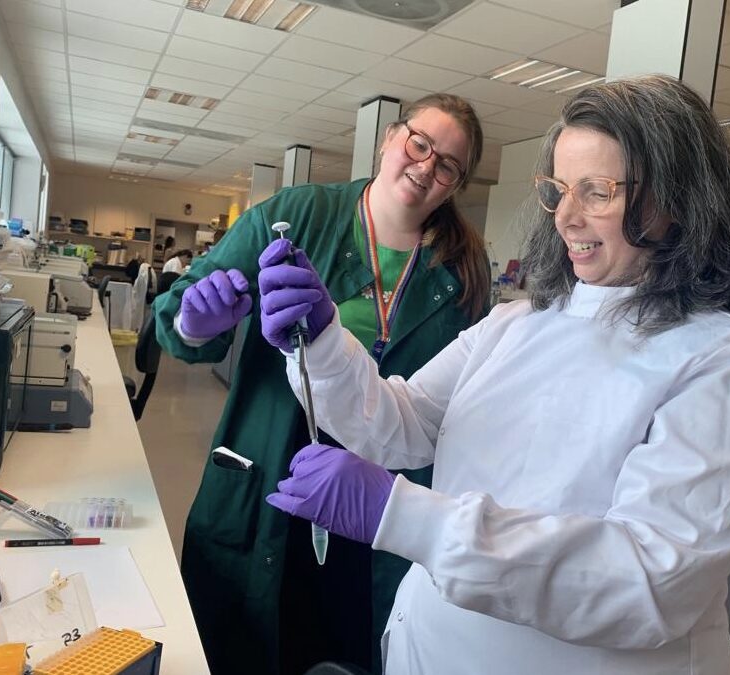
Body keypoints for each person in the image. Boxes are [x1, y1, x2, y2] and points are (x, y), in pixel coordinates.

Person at [259, 75, 730, 675]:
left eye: (598, 191)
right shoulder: (516, 322)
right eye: (560, 189)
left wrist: (404, 518)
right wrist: (324, 341)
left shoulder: (723, 359)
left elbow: (649, 581)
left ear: (680, 198)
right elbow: (400, 423)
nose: (566, 217)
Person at [152, 93, 491, 675]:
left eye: (448, 166)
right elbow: (180, 317)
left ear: (455, 185)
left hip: (377, 498)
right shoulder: (299, 216)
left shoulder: (461, 273)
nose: (426, 167)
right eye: (419, 144)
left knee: (345, 645)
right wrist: (195, 318)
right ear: (390, 138)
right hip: (270, 470)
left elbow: (455, 406)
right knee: (240, 638)